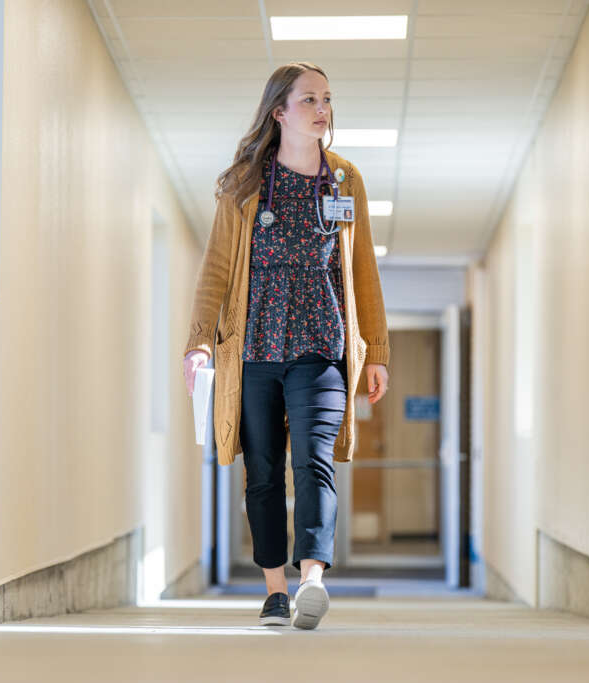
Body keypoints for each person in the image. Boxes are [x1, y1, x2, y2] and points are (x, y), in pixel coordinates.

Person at [181, 62, 390, 630]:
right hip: (255, 349)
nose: (322, 109)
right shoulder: (244, 186)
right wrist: (200, 343)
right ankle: (275, 589)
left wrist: (378, 353)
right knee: (265, 472)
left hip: (322, 346)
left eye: (327, 100)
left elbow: (363, 272)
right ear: (279, 111)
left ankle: (312, 578)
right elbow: (216, 271)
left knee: (314, 459)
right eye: (309, 100)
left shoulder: (345, 180)